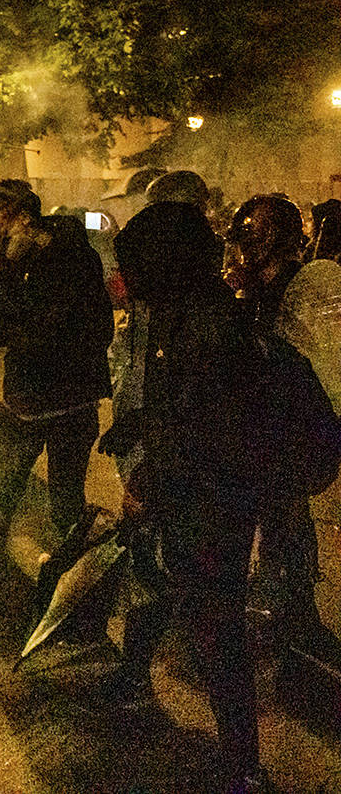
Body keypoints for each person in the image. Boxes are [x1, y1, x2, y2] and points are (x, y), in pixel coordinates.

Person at [102, 201, 266, 792]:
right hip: (195, 492)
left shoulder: (207, 319)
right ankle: (230, 747)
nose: (131, 279)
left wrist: (150, 482)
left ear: (168, 261)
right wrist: (136, 424)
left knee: (216, 627)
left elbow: (207, 423)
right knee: (196, 611)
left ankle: (241, 760)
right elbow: (176, 404)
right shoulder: (181, 310)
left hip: (214, 498)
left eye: (139, 264)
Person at [0, 180, 113, 618]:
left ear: (24, 218)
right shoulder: (21, 261)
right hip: (37, 399)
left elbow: (33, 331)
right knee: (21, 496)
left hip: (58, 400)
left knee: (47, 498)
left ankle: (73, 593)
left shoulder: (66, 259)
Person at [225, 196, 341, 673]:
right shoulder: (275, 289)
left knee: (284, 516)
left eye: (244, 243)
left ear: (265, 241)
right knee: (283, 519)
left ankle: (293, 616)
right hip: (290, 425)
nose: (235, 256)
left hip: (295, 426)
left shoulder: (301, 288)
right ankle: (293, 613)